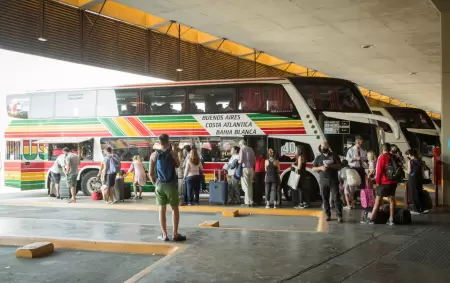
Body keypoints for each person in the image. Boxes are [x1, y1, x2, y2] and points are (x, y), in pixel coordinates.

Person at [148, 134, 186, 242]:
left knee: (162, 209)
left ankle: (164, 235)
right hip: (171, 184)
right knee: (175, 209)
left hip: (160, 185)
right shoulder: (173, 153)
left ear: (159, 142)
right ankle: (175, 234)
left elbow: (151, 174)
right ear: (168, 141)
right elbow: (178, 165)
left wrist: (155, 184)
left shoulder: (153, 155)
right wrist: (175, 155)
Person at [365, 143, 398, 225]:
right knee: (392, 200)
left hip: (384, 182)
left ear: (382, 149)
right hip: (393, 182)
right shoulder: (393, 156)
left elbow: (379, 171)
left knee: (377, 200)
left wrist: (377, 182)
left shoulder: (382, 157)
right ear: (390, 149)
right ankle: (391, 219)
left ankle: (371, 218)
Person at [312, 142, 343, 222]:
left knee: (336, 198)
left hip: (333, 180)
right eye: (322, 147)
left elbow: (339, 166)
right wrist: (320, 168)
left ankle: (339, 215)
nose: (323, 148)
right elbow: (313, 168)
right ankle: (327, 215)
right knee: (325, 198)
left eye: (325, 146)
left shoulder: (334, 156)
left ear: (328, 147)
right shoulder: (318, 157)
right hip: (323, 181)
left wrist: (330, 166)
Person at [405, 149, 424, 214]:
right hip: (419, 178)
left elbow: (409, 171)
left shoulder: (410, 161)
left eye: (407, 154)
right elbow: (422, 170)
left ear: (410, 154)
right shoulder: (420, 160)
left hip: (413, 179)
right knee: (419, 193)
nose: (407, 156)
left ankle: (416, 210)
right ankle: (422, 208)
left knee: (414, 194)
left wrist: (404, 170)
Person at [238, 139, 256, 207]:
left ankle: (247, 202)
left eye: (239, 145)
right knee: (250, 185)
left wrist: (238, 161)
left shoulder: (242, 149)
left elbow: (241, 160)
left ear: (241, 144)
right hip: (251, 169)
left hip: (245, 169)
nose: (239, 146)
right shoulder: (251, 149)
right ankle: (251, 201)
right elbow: (254, 160)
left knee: (245, 186)